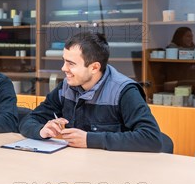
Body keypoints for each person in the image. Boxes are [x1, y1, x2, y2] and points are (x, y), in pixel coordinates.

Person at [19, 32, 162, 152]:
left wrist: (90, 140)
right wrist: (41, 130)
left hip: (115, 170)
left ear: (94, 67)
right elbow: (28, 121)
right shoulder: (66, 87)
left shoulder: (124, 91)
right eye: (64, 61)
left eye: (71, 64)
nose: (63, 68)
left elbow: (151, 138)